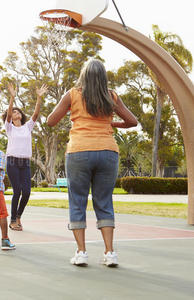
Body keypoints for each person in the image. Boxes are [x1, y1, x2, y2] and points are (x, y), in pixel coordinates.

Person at [47, 59, 138, 267]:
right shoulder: (111, 95)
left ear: (83, 75)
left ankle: (81, 252)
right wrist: (109, 123)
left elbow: (51, 121)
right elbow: (133, 121)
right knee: (104, 202)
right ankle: (110, 253)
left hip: (79, 151)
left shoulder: (72, 94)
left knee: (77, 200)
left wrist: (74, 115)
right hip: (108, 151)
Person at [2, 82, 48, 231]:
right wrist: (12, 97)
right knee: (17, 191)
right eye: (14, 112)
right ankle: (13, 220)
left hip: (25, 162)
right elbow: (8, 115)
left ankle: (19, 216)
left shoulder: (27, 126)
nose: (16, 113)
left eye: (18, 112)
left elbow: (36, 114)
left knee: (27, 192)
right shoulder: (9, 127)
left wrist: (39, 98)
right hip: (12, 161)